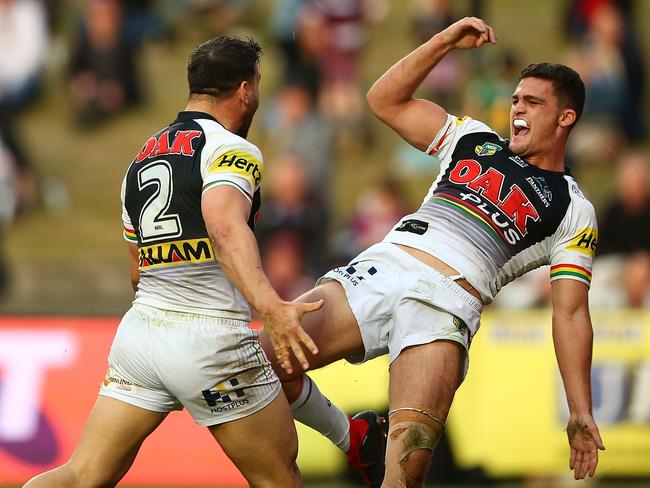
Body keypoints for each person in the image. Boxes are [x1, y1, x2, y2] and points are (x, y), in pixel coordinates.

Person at [261, 17, 605, 487]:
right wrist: (442, 41)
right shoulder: (473, 139)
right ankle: (352, 436)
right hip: (386, 266)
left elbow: (570, 314)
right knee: (264, 358)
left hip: (446, 306)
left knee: (404, 475)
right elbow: (383, 100)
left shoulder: (573, 209)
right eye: (515, 99)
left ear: (566, 117)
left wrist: (580, 409)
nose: (517, 109)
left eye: (533, 101)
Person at [23, 36, 322, 488]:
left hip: (141, 337)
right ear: (246, 89)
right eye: (257, 84)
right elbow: (224, 228)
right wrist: (270, 306)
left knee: (81, 476)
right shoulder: (233, 151)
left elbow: (136, 268)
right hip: (210, 339)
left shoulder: (141, 158)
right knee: (279, 478)